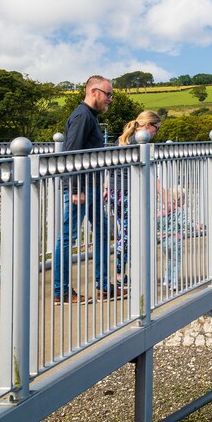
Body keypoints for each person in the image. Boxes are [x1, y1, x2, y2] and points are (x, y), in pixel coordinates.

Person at [53, 75, 123, 303]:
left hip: (90, 187)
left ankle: (104, 287)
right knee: (67, 238)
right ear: (94, 92)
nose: (110, 99)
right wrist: (74, 189)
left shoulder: (89, 117)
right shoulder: (82, 116)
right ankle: (60, 291)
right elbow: (70, 153)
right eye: (108, 94)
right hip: (81, 189)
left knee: (103, 234)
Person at [106, 110, 162, 285]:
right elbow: (150, 172)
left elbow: (112, 166)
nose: (156, 133)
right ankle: (120, 274)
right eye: (156, 129)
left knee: (127, 233)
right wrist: (164, 193)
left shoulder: (122, 139)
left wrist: (107, 186)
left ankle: (125, 272)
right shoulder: (139, 142)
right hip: (127, 193)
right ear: (147, 125)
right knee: (129, 235)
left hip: (117, 192)